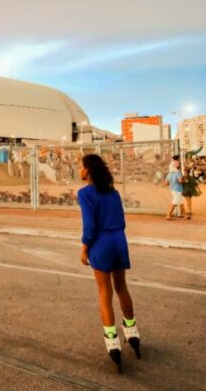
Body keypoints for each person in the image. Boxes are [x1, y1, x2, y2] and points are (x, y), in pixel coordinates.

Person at [77, 154, 140, 371]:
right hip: (118, 239)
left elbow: (89, 226)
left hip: (101, 242)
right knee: (122, 287)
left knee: (105, 292)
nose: (79, 170)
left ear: (88, 170)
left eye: (80, 167)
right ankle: (131, 330)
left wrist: (84, 248)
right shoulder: (113, 192)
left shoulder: (85, 193)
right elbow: (122, 220)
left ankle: (112, 340)